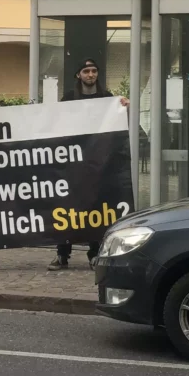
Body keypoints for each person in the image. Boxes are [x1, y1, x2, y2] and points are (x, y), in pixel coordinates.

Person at [49, 57, 129, 270]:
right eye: (86, 71)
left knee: (97, 207)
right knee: (67, 208)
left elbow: (118, 126)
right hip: (73, 164)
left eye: (94, 71)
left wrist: (124, 108)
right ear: (79, 75)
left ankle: (95, 253)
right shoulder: (68, 99)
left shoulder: (107, 98)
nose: (91, 75)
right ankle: (62, 254)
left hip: (99, 164)